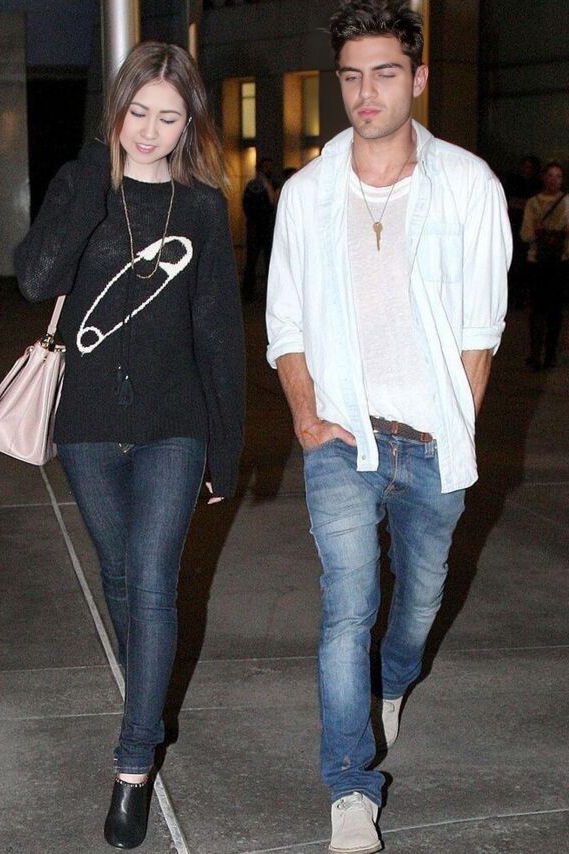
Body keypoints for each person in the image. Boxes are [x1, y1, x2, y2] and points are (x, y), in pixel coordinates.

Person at [266, 2, 511, 851]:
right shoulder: (308, 194)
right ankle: (349, 788)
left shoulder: (469, 186)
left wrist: (456, 429)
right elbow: (285, 322)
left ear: (418, 78)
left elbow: (481, 331)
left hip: (434, 439)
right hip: (344, 439)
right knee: (347, 608)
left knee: (420, 602)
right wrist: (306, 416)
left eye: (384, 73)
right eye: (351, 76)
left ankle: (394, 682)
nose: (365, 92)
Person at [15, 42, 245, 850]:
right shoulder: (83, 182)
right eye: (138, 112)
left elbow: (218, 334)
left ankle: (133, 761)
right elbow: (36, 279)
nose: (150, 131)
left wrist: (226, 449)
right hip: (86, 427)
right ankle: (149, 695)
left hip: (173, 426)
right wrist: (93, 181)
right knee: (119, 579)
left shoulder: (203, 208)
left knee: (151, 584)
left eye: (168, 117)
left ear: (190, 125)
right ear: (117, 111)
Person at [521, 160, 569, 370]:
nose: (554, 180)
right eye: (550, 175)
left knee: (553, 312)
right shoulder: (534, 203)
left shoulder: (566, 202)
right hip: (539, 261)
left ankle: (549, 354)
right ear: (543, 178)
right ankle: (536, 354)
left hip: (559, 262)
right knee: (539, 310)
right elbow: (525, 234)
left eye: (558, 176)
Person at [504, 155, 541, 308]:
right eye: (525, 167)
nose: (527, 170)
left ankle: (522, 296)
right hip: (514, 227)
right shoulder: (515, 183)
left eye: (529, 167)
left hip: (529, 230)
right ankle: (514, 296)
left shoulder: (536, 185)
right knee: (515, 264)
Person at [242, 156, 277, 301]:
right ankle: (248, 291)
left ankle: (269, 292)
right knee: (252, 261)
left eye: (270, 166)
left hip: (267, 228)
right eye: (266, 166)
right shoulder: (254, 185)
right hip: (257, 228)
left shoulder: (272, 183)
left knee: (270, 261)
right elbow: (248, 205)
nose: (269, 169)